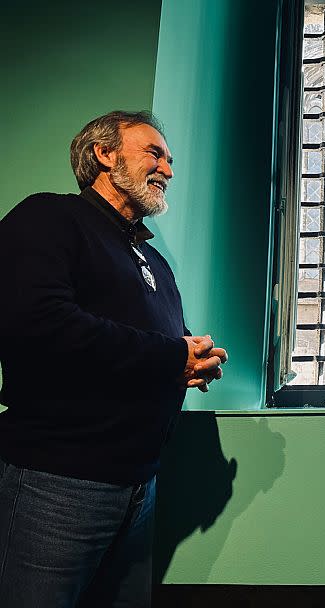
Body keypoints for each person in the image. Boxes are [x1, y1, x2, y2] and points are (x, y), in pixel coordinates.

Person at [0, 110, 227, 607]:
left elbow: (159, 337)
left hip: (139, 486)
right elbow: (37, 325)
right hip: (57, 483)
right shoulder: (48, 217)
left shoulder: (152, 259)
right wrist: (173, 356)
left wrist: (194, 357)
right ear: (105, 154)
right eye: (155, 153)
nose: (168, 169)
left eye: (169, 159)